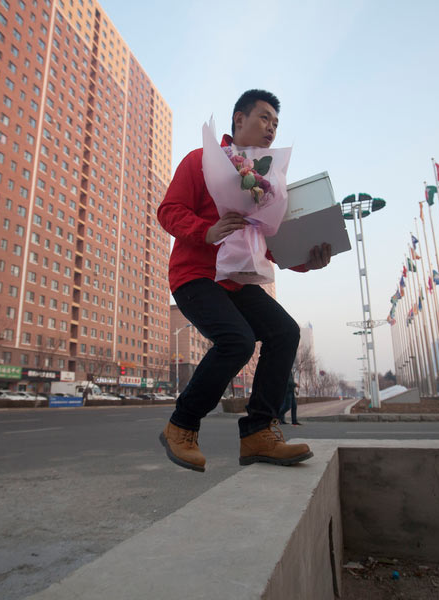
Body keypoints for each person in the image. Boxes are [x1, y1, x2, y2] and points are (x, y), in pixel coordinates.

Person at [157, 89, 331, 472]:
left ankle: (258, 432)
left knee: (284, 332)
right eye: (264, 118)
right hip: (195, 276)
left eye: (276, 123)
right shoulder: (201, 161)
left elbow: (269, 244)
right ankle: (181, 425)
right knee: (237, 339)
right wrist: (208, 230)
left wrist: (307, 261)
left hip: (237, 282)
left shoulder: (267, 183)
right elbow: (168, 211)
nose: (271, 128)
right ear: (239, 120)